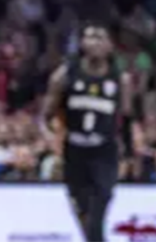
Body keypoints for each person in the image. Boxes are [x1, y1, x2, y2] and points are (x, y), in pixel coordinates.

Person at [42, 23, 137, 242]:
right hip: (74, 150)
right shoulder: (64, 75)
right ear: (82, 43)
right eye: (90, 37)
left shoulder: (120, 79)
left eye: (100, 37)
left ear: (110, 45)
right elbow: (46, 117)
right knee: (83, 210)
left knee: (99, 206)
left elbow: (127, 119)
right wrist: (53, 141)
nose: (94, 43)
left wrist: (130, 154)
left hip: (104, 150)